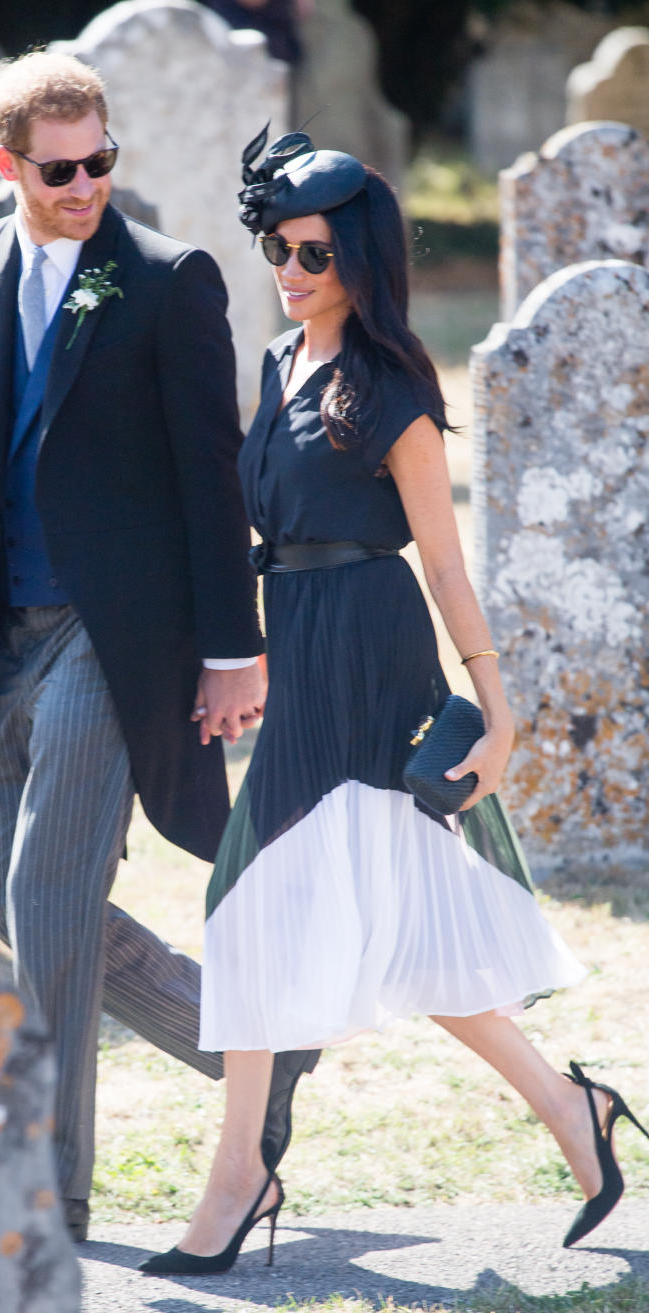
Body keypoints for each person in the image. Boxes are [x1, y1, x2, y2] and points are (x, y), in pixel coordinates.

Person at [0, 53, 317, 1244]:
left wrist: (231, 649)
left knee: (47, 900)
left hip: (120, 637)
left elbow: (211, 471)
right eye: (63, 167)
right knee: (26, 907)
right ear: (10, 167)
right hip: (12, 636)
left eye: (103, 159)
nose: (89, 182)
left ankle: (47, 1198)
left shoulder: (166, 280)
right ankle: (251, 1046)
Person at [139, 131, 649, 1275]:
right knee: (410, 925)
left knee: (246, 909)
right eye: (277, 245)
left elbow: (447, 562)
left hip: (372, 651)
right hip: (299, 644)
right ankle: (578, 1113)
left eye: (314, 250)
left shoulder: (395, 385)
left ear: (360, 256)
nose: (291, 266)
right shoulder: (276, 365)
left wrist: (500, 710)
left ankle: (238, 1177)